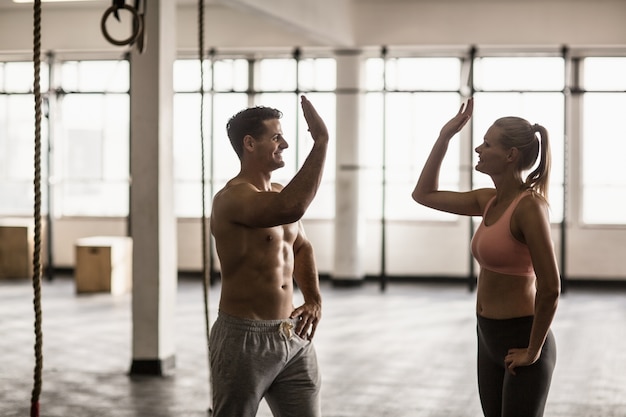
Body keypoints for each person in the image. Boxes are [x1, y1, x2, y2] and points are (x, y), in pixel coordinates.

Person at [412, 97, 560, 417]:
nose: (478, 149)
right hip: (487, 334)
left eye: (486, 144)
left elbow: (550, 286)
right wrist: (444, 137)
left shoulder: (529, 207)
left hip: (522, 337)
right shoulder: (488, 200)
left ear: (510, 155)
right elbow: (423, 194)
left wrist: (533, 351)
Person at [209, 95, 329, 417]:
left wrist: (314, 299)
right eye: (276, 137)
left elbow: (301, 246)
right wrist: (320, 142)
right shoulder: (232, 199)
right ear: (250, 143)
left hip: (292, 333)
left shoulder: (277, 192)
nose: (285, 143)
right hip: (243, 338)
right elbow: (292, 207)